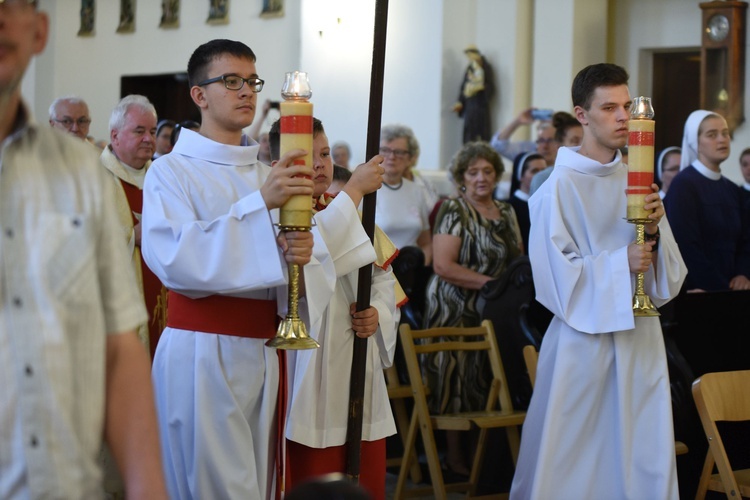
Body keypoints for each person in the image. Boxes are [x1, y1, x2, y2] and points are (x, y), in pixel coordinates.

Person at [142, 39, 363, 499]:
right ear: (199, 95)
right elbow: (176, 259)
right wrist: (261, 207)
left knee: (259, 486)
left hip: (263, 351)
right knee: (218, 487)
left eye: (252, 81)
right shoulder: (171, 171)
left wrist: (299, 253)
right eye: (231, 81)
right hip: (204, 351)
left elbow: (300, 275)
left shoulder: (266, 171)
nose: (246, 91)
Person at [0, 3, 166, 497]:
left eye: (13, 5)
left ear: (41, 30)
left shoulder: (86, 179)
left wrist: (146, 483)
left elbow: (120, 338)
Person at [511, 63, 686, 499]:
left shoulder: (639, 181)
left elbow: (670, 280)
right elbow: (555, 284)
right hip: (583, 347)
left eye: (627, 106)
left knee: (640, 455)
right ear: (582, 115)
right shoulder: (556, 189)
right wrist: (619, 262)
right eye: (609, 107)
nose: (624, 117)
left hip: (639, 341)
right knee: (576, 464)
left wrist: (657, 231)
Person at [272, 117, 399, 499]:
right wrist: (355, 191)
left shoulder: (349, 211)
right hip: (308, 360)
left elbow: (382, 281)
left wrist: (377, 312)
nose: (320, 164)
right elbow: (312, 264)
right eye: (308, 156)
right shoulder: (279, 213)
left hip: (357, 356)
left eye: (325, 154)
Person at [422, 141, 523, 475]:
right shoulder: (454, 209)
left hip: (495, 309)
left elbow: (517, 259)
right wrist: (490, 284)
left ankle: (487, 459)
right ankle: (455, 458)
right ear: (461, 177)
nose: (481, 178)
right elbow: (442, 265)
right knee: (457, 380)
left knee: (487, 379)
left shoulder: (507, 211)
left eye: (488, 171)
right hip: (454, 307)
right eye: (473, 172)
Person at [101, 94, 164, 356]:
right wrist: (130, 236)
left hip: (163, 299)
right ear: (115, 136)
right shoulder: (93, 179)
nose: (149, 139)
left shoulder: (163, 178)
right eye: (139, 131)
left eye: (152, 131)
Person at [663, 110, 750, 292]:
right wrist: (719, 287)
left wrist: (743, 274)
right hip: (700, 291)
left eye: (725, 133)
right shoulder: (683, 186)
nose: (722, 139)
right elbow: (687, 247)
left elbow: (745, 241)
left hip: (735, 290)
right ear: (696, 143)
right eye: (712, 135)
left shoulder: (733, 190)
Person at [376, 124, 433, 264]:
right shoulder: (368, 190)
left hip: (411, 273)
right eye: (385, 150)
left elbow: (425, 242)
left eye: (399, 152)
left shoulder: (417, 190)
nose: (391, 157)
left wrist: (421, 269)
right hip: (377, 273)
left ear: (410, 158)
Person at [527, 111, 583, 196]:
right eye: (575, 141)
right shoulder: (544, 178)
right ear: (559, 146)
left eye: (585, 141)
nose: (582, 146)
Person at [452, 45, 494, 143]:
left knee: (481, 135)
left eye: (470, 55)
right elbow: (464, 86)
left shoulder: (485, 68)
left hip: (480, 106)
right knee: (468, 135)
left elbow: (490, 87)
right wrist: (460, 102)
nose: (469, 58)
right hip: (470, 105)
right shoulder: (469, 68)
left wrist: (480, 87)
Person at [506, 152, 545, 253]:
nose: (540, 176)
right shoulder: (509, 207)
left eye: (543, 171)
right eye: (535, 171)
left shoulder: (548, 202)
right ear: (520, 176)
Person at [490, 109, 558, 165]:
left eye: (550, 140)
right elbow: (498, 146)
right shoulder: (527, 151)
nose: (545, 146)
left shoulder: (565, 156)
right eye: (541, 140)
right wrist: (517, 121)